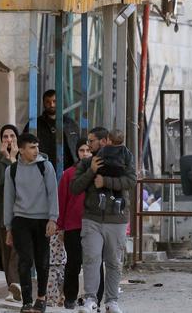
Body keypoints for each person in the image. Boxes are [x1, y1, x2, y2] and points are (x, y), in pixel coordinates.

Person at [73, 127, 135, 313]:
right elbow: (75, 188)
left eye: (91, 141)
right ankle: (91, 299)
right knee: (91, 258)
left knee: (114, 261)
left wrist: (106, 182)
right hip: (92, 218)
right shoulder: (87, 162)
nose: (88, 144)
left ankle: (112, 301)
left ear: (104, 141)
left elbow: (131, 180)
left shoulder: (125, 156)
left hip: (116, 218)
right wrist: (91, 171)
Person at [4, 133, 59, 313]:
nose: (36, 151)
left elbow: (53, 193)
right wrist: (8, 228)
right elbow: (8, 199)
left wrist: (53, 218)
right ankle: (26, 302)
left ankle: (41, 298)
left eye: (37, 146)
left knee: (42, 260)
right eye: (32, 147)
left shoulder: (46, 166)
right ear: (21, 149)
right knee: (25, 260)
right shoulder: (11, 170)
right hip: (21, 219)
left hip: (42, 219)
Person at [57, 139, 105, 309]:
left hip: (94, 224)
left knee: (95, 261)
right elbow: (62, 201)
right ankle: (70, 298)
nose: (85, 153)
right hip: (73, 225)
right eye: (81, 150)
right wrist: (60, 226)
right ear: (77, 152)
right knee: (73, 262)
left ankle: (96, 299)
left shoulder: (100, 173)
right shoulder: (69, 174)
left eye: (87, 150)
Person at [0, 124, 21, 302]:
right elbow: (1, 179)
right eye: (5, 137)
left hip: (21, 212)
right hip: (2, 212)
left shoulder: (24, 155)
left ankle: (16, 285)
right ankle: (12, 289)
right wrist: (7, 158)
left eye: (12, 136)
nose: (9, 140)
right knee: (7, 252)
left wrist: (14, 158)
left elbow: (19, 180)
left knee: (18, 251)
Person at [23, 89, 79, 171]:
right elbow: (23, 146)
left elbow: (77, 147)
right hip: (41, 170)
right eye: (48, 102)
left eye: (54, 101)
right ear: (43, 103)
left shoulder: (70, 124)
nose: (52, 105)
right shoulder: (34, 124)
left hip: (67, 171)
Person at [95, 129, 133, 215]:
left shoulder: (104, 149)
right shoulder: (124, 150)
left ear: (110, 141)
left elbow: (98, 158)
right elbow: (129, 160)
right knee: (117, 190)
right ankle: (117, 199)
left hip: (105, 169)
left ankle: (102, 194)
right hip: (118, 171)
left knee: (102, 184)